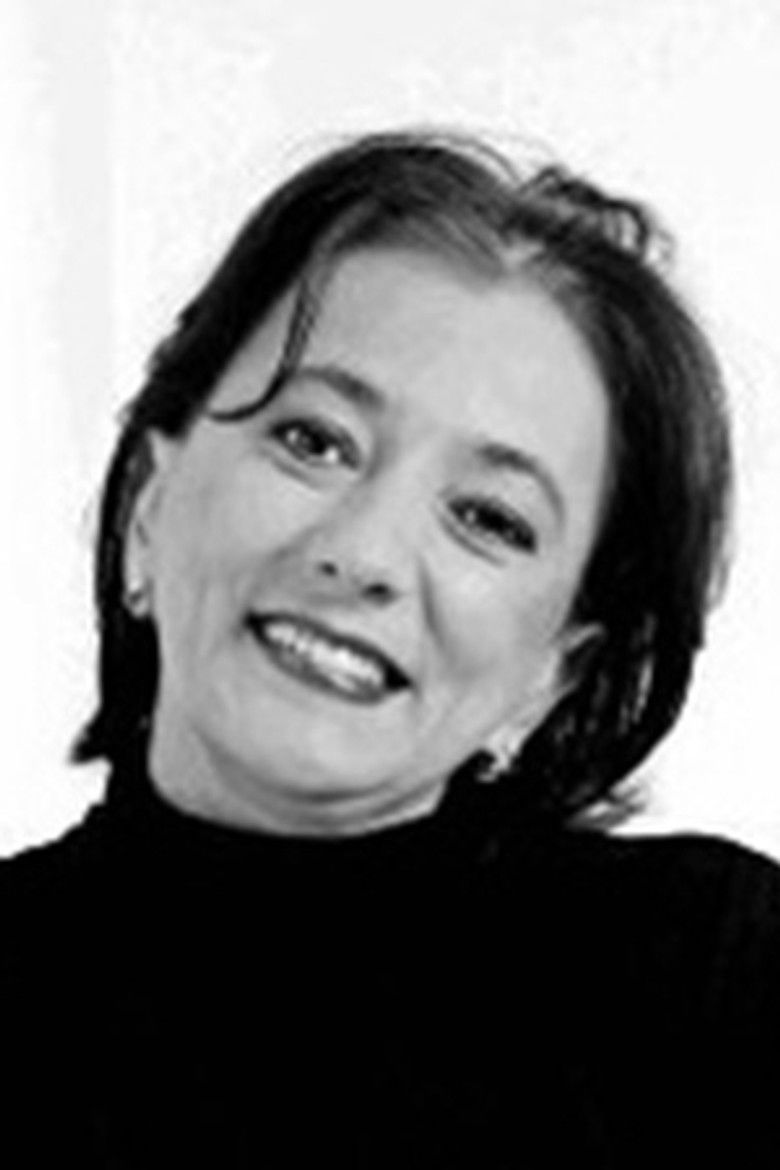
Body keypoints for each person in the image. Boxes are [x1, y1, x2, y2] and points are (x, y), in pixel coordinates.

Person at [2, 128, 778, 1167]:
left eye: (489, 519)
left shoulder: (713, 983)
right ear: (151, 501)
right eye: (313, 441)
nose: (363, 553)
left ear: (554, 673)